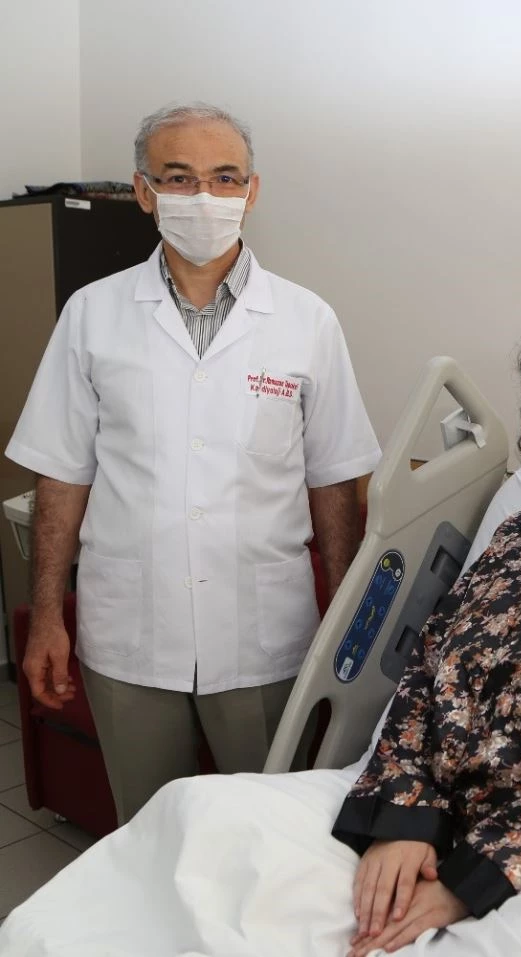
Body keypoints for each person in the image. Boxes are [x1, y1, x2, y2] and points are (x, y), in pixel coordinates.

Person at [0, 271, 521, 957]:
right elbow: (423, 682)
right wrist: (405, 819)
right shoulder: (515, 539)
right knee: (201, 822)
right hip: (443, 824)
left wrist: (477, 876)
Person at [5, 103, 381, 824]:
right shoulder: (92, 313)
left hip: (265, 634)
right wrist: (47, 614)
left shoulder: (307, 320)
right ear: (143, 192)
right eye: (179, 178)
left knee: (269, 831)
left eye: (225, 177)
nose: (204, 196)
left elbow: (335, 478)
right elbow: (60, 475)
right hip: (130, 633)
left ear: (252, 190)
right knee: (151, 829)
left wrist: (342, 613)